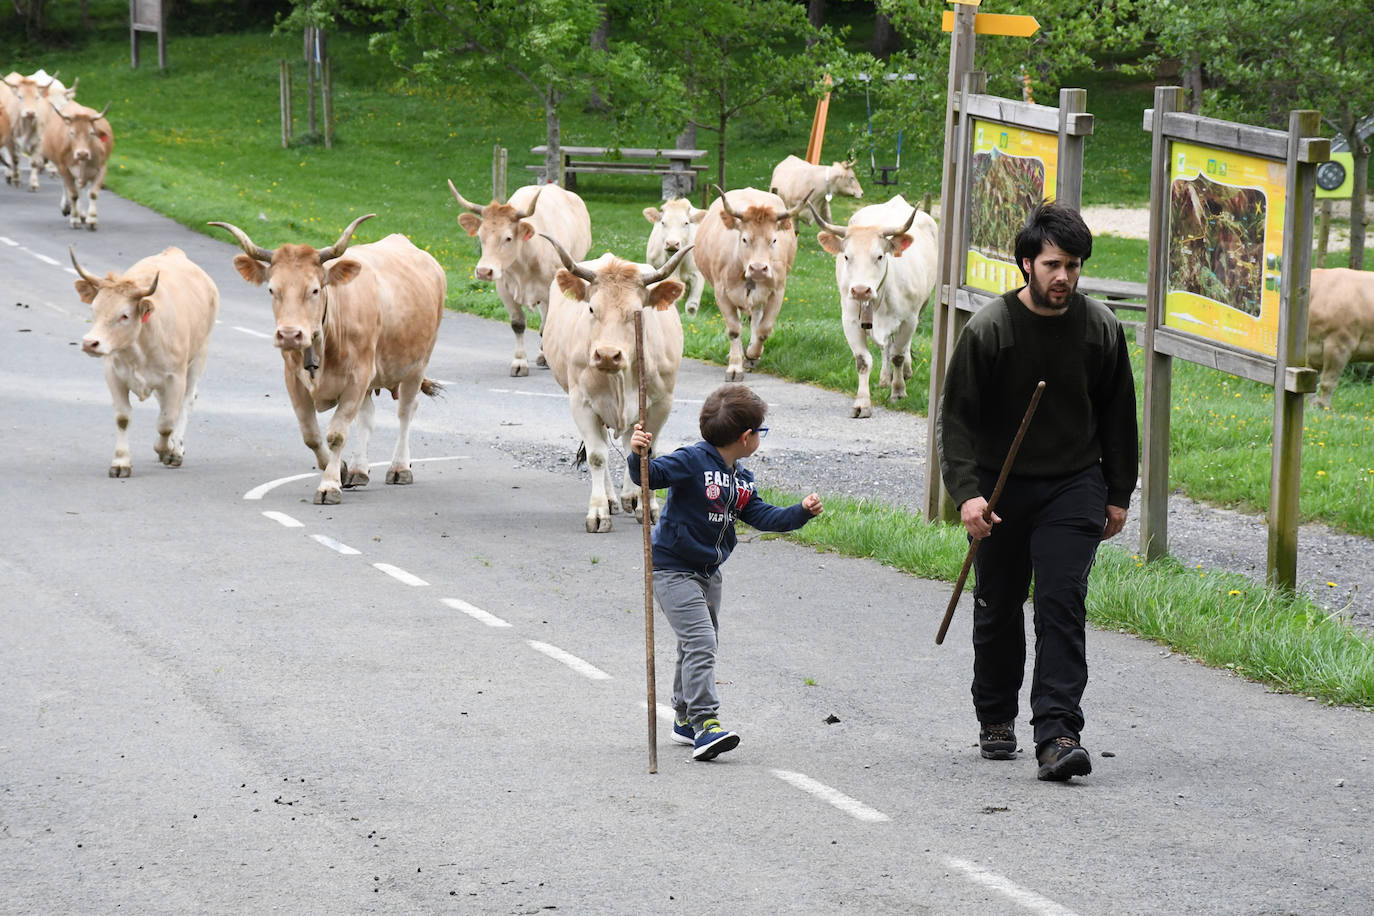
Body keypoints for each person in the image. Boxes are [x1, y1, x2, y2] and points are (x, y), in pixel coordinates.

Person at [935, 201, 1139, 782]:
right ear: (1026, 263)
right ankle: (995, 715)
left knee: (1060, 599)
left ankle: (1058, 733)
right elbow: (958, 422)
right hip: (1001, 488)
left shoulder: (1099, 327)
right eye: (1053, 264)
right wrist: (969, 496)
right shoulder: (990, 330)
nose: (1064, 277)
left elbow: (1119, 415)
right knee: (999, 603)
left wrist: (1118, 492)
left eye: (1074, 266)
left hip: (1074, 483)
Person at [629, 384, 823, 761]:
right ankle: (707, 724)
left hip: (708, 572)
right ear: (747, 436)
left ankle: (684, 720)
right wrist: (640, 452)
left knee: (695, 643)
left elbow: (764, 517)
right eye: (760, 432)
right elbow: (648, 476)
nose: (759, 439)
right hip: (671, 569)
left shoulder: (741, 479)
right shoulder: (691, 460)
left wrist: (799, 510)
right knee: (702, 641)